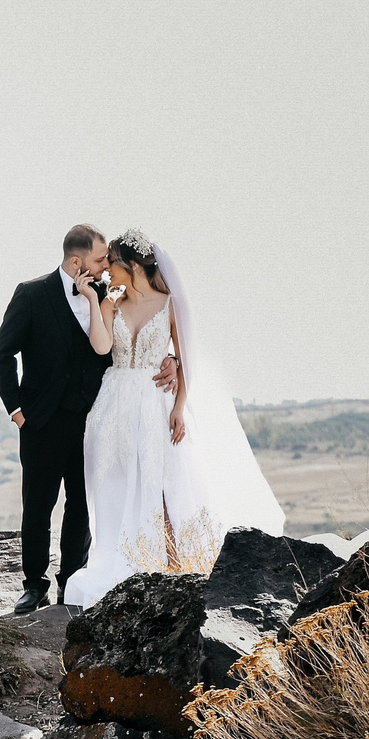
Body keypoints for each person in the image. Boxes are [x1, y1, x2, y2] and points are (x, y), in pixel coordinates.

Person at [59, 230, 285, 609]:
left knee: (162, 481)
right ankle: (123, 556)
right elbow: (101, 346)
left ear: (131, 266)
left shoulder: (169, 304)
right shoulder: (111, 299)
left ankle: (172, 560)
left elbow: (186, 359)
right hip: (114, 404)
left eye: (110, 264)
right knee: (115, 483)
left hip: (154, 403)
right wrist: (91, 300)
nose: (105, 273)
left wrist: (180, 406)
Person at [0, 225, 127, 613]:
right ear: (76, 261)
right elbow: (3, 353)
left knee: (82, 504)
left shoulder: (107, 295)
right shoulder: (31, 294)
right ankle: (34, 585)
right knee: (37, 505)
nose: (107, 265)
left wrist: (170, 359)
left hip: (93, 419)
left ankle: (72, 580)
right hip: (41, 421)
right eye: (101, 259)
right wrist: (17, 411)